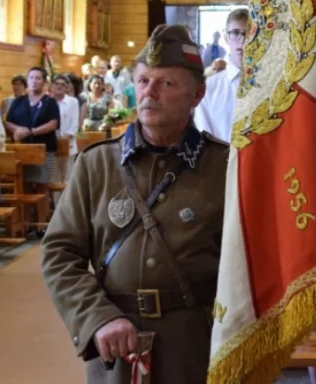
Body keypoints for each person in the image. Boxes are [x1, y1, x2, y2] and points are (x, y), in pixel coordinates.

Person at [41, 24, 228, 384]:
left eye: (166, 83)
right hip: (116, 347)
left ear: (197, 94)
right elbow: (59, 252)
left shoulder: (224, 166)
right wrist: (97, 317)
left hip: (196, 345)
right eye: (143, 81)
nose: (149, 93)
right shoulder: (97, 164)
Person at [194, 8, 248, 141]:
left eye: (247, 33)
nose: (242, 40)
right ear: (226, 38)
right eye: (235, 33)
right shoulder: (209, 88)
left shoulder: (269, 85)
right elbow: (204, 136)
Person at [4, 66, 60, 187]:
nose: (34, 81)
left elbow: (53, 124)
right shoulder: (18, 101)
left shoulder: (50, 102)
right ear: (27, 80)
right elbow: (8, 122)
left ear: (44, 82)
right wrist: (18, 129)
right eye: (31, 77)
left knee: (42, 185)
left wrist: (31, 131)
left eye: (38, 78)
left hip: (44, 149)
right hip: (22, 149)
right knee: (24, 185)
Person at [52, 73, 80, 157]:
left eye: (62, 84)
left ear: (66, 87)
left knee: (68, 165)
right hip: (52, 142)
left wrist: (65, 137)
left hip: (68, 141)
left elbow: (75, 122)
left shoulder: (73, 101)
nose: (59, 86)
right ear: (52, 86)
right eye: (57, 84)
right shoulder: (48, 101)